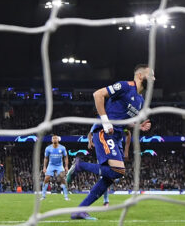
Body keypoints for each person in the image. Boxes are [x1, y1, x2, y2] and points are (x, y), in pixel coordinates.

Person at [65, 63, 154, 221]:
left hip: (116, 136)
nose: (153, 78)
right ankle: (80, 165)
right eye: (151, 75)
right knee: (118, 171)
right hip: (104, 132)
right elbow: (98, 94)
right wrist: (106, 123)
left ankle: (79, 211)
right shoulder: (125, 86)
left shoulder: (140, 100)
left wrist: (138, 126)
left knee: (109, 177)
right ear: (140, 75)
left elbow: (123, 121)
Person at [41, 135, 70, 200]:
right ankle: (43, 196)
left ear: (58, 140)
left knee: (63, 179)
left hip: (59, 165)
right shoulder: (48, 148)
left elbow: (66, 157)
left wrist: (66, 166)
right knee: (46, 178)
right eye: (53, 138)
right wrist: (44, 167)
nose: (54, 139)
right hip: (51, 165)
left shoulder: (62, 148)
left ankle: (66, 197)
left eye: (55, 138)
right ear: (51, 140)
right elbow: (46, 158)